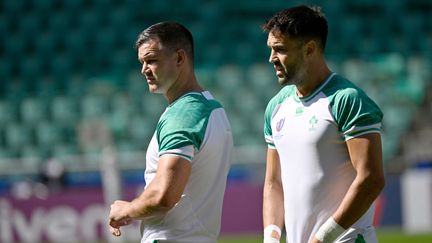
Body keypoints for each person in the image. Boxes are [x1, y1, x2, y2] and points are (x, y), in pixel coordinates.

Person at [261, 5, 385, 243]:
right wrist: (272, 237)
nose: (271, 59)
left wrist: (323, 238)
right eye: (271, 49)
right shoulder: (276, 107)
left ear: (309, 49)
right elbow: (273, 182)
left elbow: (371, 179)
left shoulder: (347, 99)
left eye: (280, 50)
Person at [108, 21, 233, 243]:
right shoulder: (212, 107)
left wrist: (126, 209)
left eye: (152, 60)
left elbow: (163, 196)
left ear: (179, 58)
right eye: (142, 62)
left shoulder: (183, 114)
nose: (144, 69)